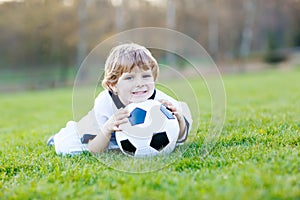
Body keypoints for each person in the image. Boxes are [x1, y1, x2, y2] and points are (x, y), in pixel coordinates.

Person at [47, 43, 192, 155]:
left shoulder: (160, 101)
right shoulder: (105, 103)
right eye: (129, 78)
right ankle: (56, 138)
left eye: (146, 76)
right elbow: (94, 149)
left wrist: (179, 120)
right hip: (100, 132)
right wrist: (108, 129)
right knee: (67, 146)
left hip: (134, 136)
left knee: (181, 116)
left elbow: (179, 138)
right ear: (113, 85)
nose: (140, 83)